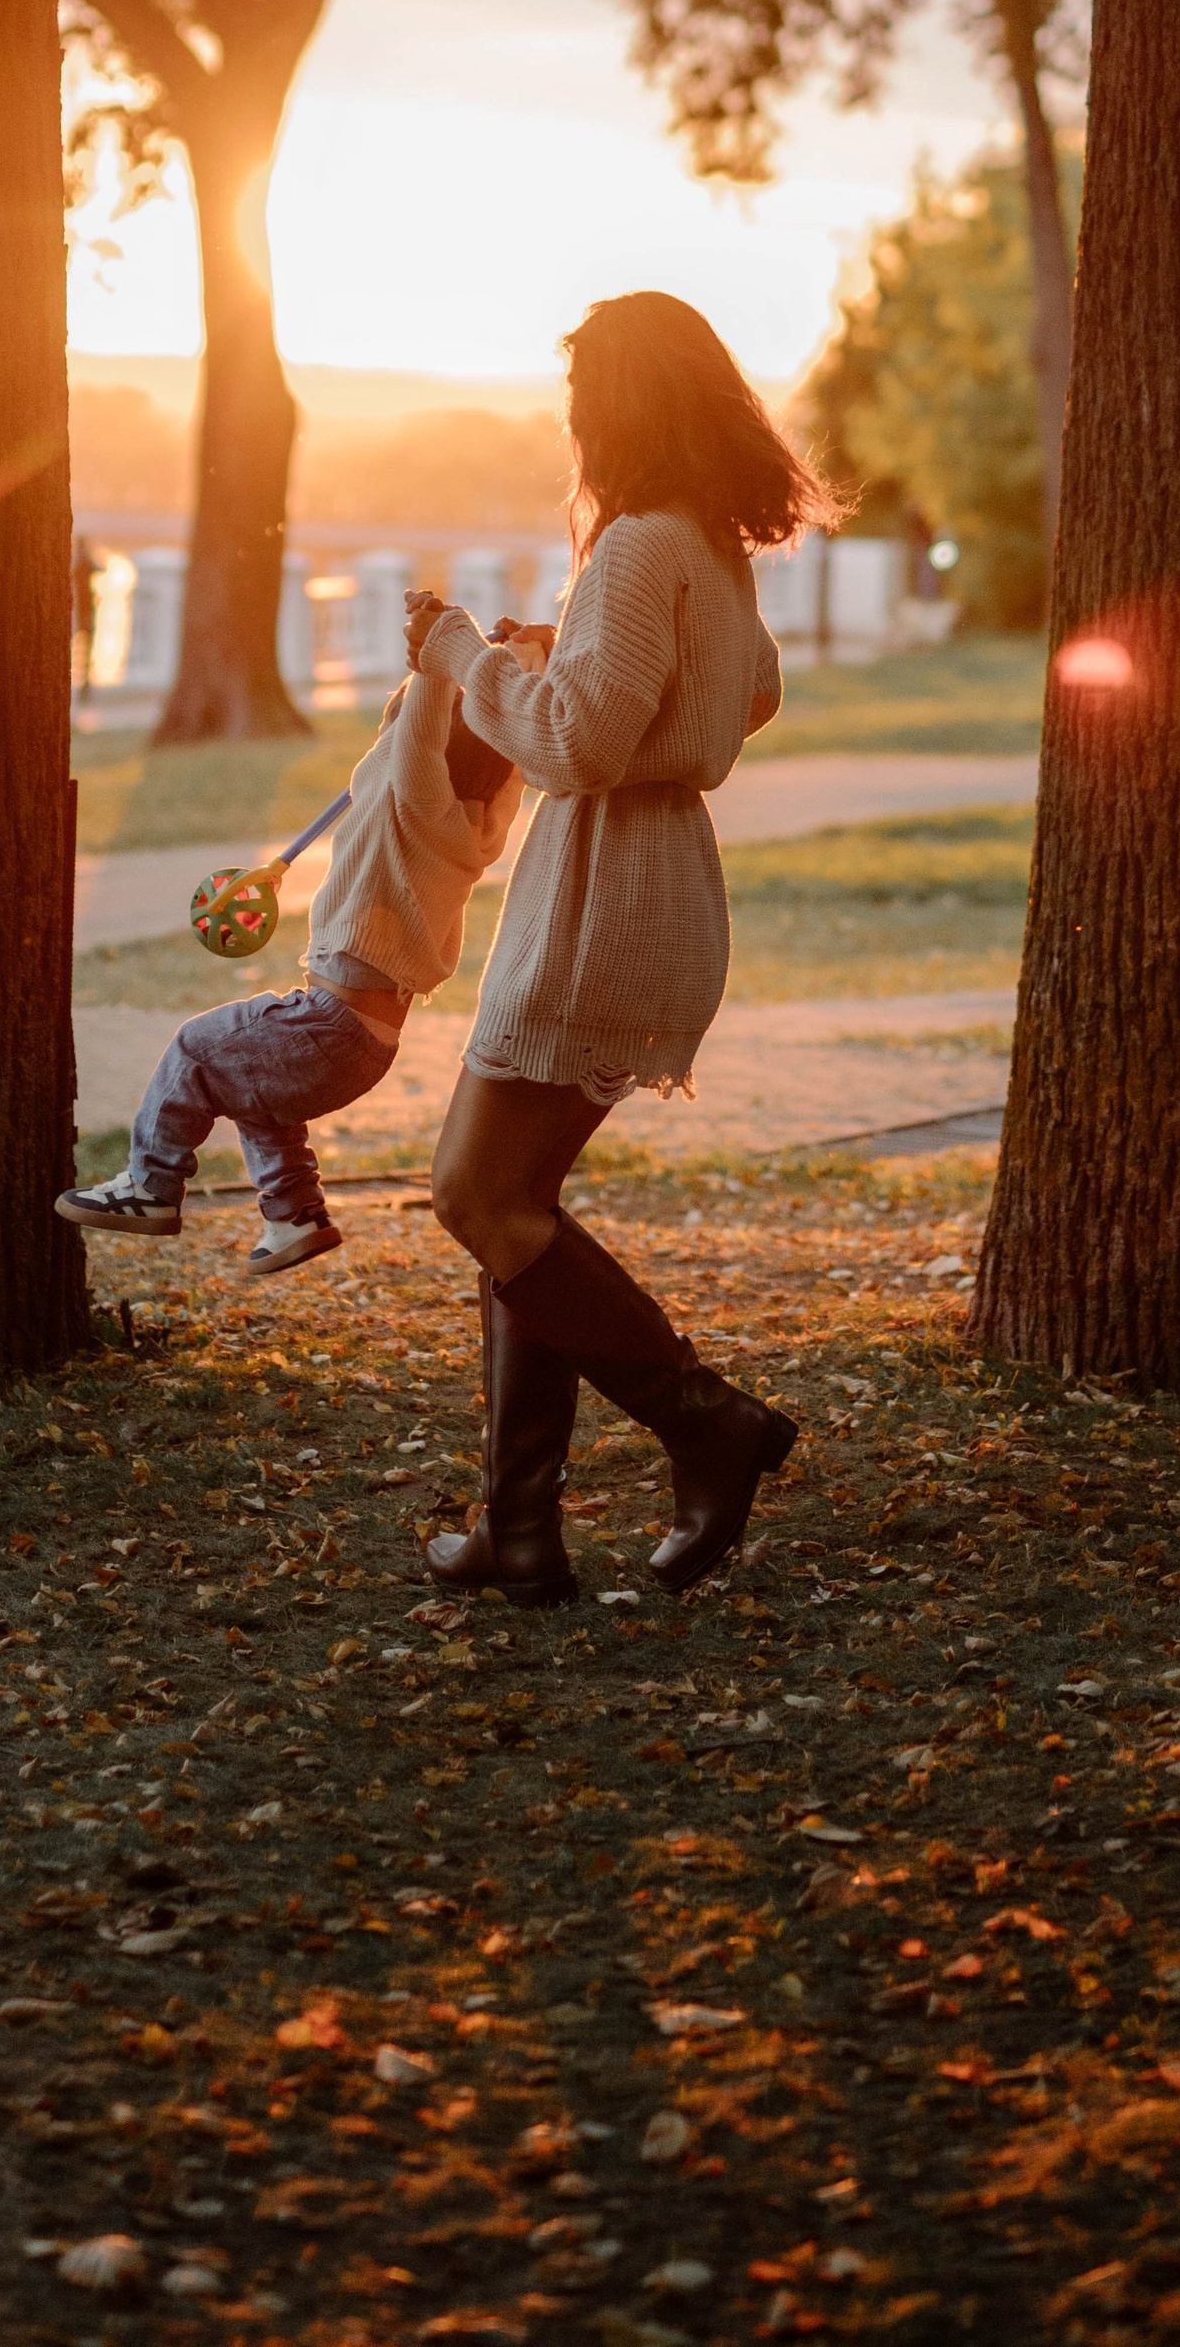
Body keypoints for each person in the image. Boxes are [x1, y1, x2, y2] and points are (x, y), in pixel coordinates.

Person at [412, 289, 837, 1604]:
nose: (573, 423)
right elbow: (743, 693)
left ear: (619, 405)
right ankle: (518, 1529)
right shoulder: (708, 545)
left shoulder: (639, 546)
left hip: (600, 906)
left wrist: (468, 662)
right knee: (519, 1214)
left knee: (476, 1197)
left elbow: (578, 744)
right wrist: (580, 670)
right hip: (662, 890)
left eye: (582, 398)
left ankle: (709, 1424)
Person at [54, 648, 539, 1272]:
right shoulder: (475, 826)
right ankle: (294, 1216)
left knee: (196, 1049)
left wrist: (435, 661)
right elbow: (450, 746)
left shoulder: (415, 807)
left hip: (330, 1028)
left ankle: (151, 1187)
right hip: (366, 1042)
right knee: (257, 1092)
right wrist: (522, 658)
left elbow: (407, 737)